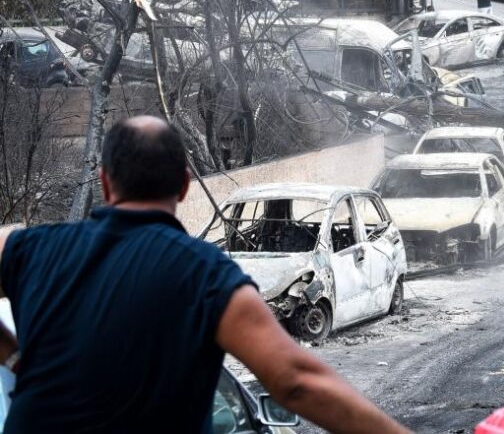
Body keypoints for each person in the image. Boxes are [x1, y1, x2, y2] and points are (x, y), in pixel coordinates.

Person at [0, 116, 409, 433]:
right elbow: (295, 380)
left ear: (105, 183)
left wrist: (15, 356)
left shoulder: (31, 248)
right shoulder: (203, 274)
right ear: (183, 186)